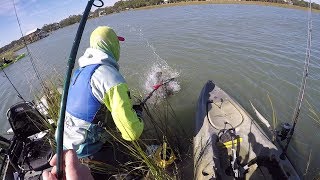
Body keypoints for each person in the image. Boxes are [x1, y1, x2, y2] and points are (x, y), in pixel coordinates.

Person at [60, 26, 144, 159]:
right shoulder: (111, 77)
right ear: (112, 45)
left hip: (64, 145)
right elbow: (131, 133)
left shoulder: (80, 72)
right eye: (117, 43)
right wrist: (138, 117)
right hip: (85, 151)